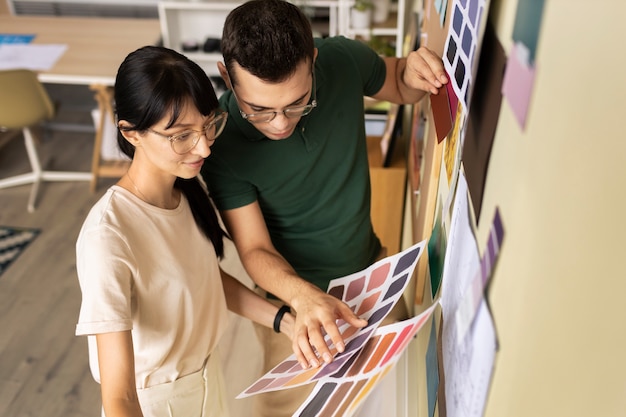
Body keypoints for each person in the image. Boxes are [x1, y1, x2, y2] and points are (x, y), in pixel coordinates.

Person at [201, 1, 448, 415]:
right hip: (297, 312)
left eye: (297, 103)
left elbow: (402, 85)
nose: (281, 123)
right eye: (259, 109)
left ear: (314, 62)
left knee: (406, 399)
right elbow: (254, 250)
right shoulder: (222, 148)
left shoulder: (341, 59)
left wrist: (414, 69)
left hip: (374, 280)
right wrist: (305, 299)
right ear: (227, 76)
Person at [74, 45, 296, 417]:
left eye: (208, 125)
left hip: (208, 382)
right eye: (181, 135)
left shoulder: (184, 193)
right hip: (157, 405)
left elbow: (203, 279)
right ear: (131, 134)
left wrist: (286, 321)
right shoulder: (108, 237)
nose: (205, 147)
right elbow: (119, 399)